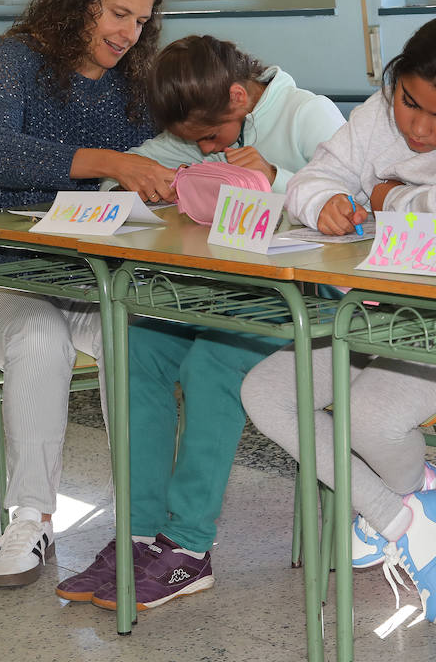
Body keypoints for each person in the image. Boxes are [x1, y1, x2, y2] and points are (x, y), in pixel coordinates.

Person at [241, 15, 436, 624]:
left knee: (369, 419)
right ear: (396, 80)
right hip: (385, 315)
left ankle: (400, 504)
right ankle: (403, 510)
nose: (417, 127)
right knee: (266, 392)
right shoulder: (380, 110)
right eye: (409, 102)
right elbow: (313, 177)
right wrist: (324, 202)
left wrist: (381, 197)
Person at [54, 35, 347, 611]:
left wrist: (281, 178)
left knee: (214, 360)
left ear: (240, 96)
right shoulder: (200, 121)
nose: (206, 148)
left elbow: (356, 200)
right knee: (139, 343)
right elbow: (137, 167)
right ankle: (140, 534)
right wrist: (140, 179)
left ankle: (188, 549)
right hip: (224, 292)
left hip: (307, 299)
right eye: (195, 142)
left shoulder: (308, 113)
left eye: (212, 138)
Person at [0, 0, 170, 590]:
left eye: (140, 21)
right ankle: (32, 517)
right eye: (117, 14)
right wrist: (107, 161)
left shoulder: (136, 77)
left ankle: (142, 520)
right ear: (79, 2)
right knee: (37, 335)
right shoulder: (16, 58)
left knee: (130, 335)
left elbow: (162, 158)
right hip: (9, 275)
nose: (128, 33)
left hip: (94, 279)